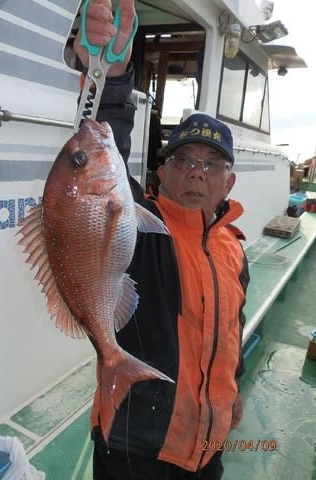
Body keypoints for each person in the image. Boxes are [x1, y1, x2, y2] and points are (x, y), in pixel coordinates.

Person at [74, 1, 249, 478]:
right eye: (183, 161)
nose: (196, 173)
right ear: (161, 172)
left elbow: (232, 325)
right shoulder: (145, 227)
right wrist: (111, 78)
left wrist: (231, 389)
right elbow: (101, 177)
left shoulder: (233, 245)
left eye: (210, 164)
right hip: (137, 447)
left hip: (207, 445)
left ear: (228, 183)